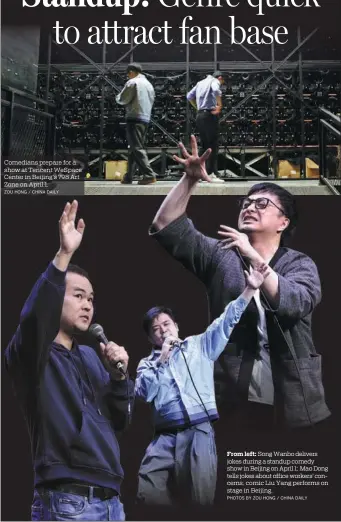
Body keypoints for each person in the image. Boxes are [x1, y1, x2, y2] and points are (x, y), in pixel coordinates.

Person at [149, 135, 331, 430]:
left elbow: (294, 303)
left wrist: (251, 253)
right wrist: (189, 180)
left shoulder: (299, 263)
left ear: (283, 222)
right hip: (233, 394)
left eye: (262, 203)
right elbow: (165, 227)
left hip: (294, 396)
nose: (249, 207)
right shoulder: (221, 257)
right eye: (246, 203)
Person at [5, 200, 134, 521]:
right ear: (55, 298)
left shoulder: (93, 357)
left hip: (111, 502)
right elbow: (34, 318)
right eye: (77, 295)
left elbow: (120, 422)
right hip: (67, 500)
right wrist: (63, 256)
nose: (88, 304)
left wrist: (120, 380)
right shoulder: (32, 353)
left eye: (91, 298)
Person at [135, 264, 270, 508]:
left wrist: (249, 290)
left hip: (198, 430)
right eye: (155, 329)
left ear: (176, 325)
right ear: (150, 338)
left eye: (166, 324)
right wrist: (162, 359)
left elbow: (225, 322)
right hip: (164, 436)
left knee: (199, 499)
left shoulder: (200, 345)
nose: (162, 330)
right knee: (147, 490)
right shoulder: (147, 365)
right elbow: (145, 394)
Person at [116, 63, 156, 185]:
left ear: (132, 72)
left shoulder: (133, 82)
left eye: (128, 74)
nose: (128, 76)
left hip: (134, 118)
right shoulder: (149, 85)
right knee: (134, 148)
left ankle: (149, 175)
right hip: (145, 118)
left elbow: (123, 99)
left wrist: (117, 97)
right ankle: (129, 176)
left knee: (137, 148)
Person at [186, 71, 225, 183]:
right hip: (209, 115)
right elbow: (216, 90)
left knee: (204, 145)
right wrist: (219, 106)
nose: (221, 83)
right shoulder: (214, 81)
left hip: (200, 115)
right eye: (222, 82)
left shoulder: (200, 83)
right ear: (220, 78)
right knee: (212, 146)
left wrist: (197, 107)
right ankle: (211, 174)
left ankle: (201, 174)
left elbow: (189, 96)